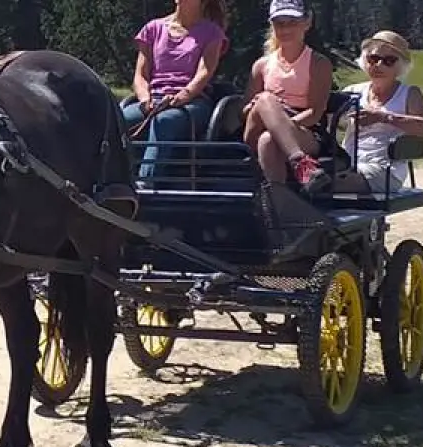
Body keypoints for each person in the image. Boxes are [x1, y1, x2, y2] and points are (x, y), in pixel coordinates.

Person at [240, 0, 334, 263]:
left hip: (302, 127)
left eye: (292, 22)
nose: (285, 29)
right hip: (256, 127)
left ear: (307, 23)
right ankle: (301, 165)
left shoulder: (318, 63)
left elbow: (315, 112)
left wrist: (284, 125)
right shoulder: (262, 65)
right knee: (266, 101)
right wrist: (267, 109)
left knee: (271, 139)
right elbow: (245, 110)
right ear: (272, 26)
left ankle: (280, 223)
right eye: (279, 23)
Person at [121, 0, 230, 184]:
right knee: (117, 120)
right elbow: (141, 74)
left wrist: (183, 96)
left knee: (164, 121)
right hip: (153, 99)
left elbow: (204, 73)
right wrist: (145, 99)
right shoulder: (152, 29)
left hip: (193, 102)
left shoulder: (212, 33)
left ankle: (145, 183)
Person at [337, 30, 423, 193]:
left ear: (400, 66)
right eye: (373, 59)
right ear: (365, 61)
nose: (378, 65)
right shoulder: (352, 91)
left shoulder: (409, 93)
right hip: (347, 164)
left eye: (389, 60)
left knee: (332, 184)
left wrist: (383, 117)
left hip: (386, 170)